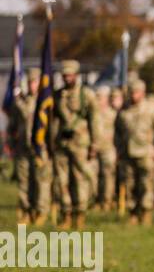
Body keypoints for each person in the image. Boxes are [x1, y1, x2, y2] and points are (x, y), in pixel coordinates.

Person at [52, 60, 97, 230]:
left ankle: (80, 213)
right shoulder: (57, 96)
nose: (67, 78)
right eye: (64, 76)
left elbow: (95, 120)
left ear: (76, 76)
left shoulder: (86, 95)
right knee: (61, 181)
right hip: (62, 143)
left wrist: (94, 144)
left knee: (79, 179)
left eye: (70, 75)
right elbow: (53, 121)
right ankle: (66, 213)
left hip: (80, 143)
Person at [115, 78, 154, 225]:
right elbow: (117, 132)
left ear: (143, 93)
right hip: (127, 152)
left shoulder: (151, 108)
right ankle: (133, 213)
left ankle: (146, 211)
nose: (134, 95)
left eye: (137, 92)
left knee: (146, 184)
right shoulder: (124, 110)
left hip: (146, 152)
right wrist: (118, 149)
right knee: (130, 184)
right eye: (132, 92)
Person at [7, 68, 50, 226]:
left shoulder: (45, 101)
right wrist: (11, 144)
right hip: (23, 147)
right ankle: (26, 211)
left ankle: (41, 211)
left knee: (41, 181)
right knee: (24, 181)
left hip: (41, 148)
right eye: (30, 82)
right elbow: (13, 126)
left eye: (35, 82)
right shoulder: (21, 102)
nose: (33, 85)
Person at [91, 86, 118, 211]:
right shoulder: (92, 114)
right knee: (94, 176)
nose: (99, 100)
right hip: (94, 149)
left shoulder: (112, 114)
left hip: (109, 148)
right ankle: (96, 199)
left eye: (101, 98)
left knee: (108, 176)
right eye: (97, 98)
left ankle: (107, 201)